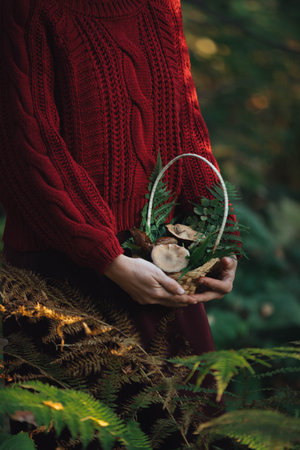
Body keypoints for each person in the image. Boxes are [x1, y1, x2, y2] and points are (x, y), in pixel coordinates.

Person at [0, 0, 238, 445]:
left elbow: (183, 124)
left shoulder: (159, 5)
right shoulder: (26, 9)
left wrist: (221, 235)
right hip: (58, 274)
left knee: (197, 432)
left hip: (157, 260)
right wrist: (107, 256)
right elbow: (25, 148)